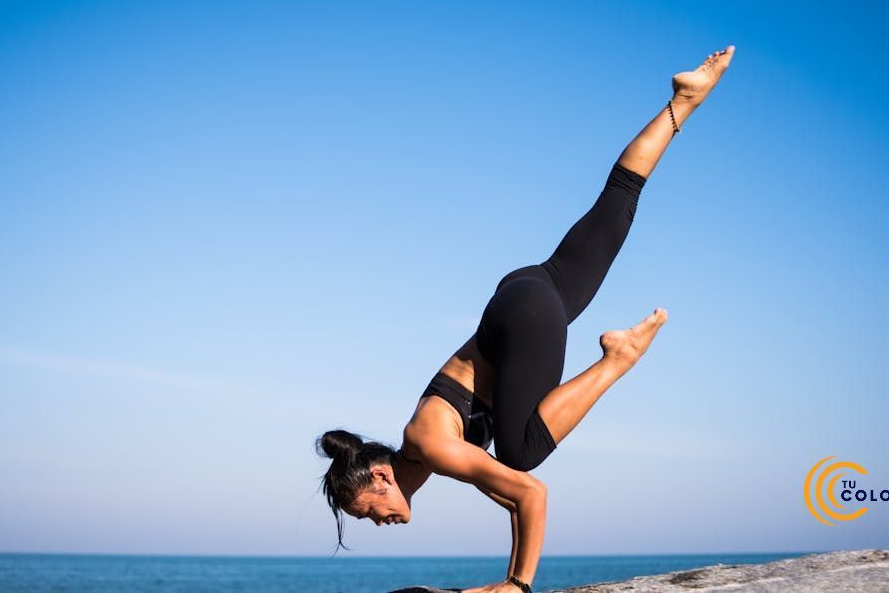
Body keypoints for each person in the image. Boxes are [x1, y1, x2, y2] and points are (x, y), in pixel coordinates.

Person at [314, 45, 736, 593]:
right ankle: (685, 100)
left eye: (369, 509)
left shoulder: (431, 443)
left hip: (525, 317)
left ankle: (617, 358)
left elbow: (529, 492)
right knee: (617, 202)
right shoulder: (428, 454)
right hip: (526, 294)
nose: (378, 521)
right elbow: (508, 498)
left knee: (521, 452)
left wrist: (517, 585)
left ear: (380, 475)